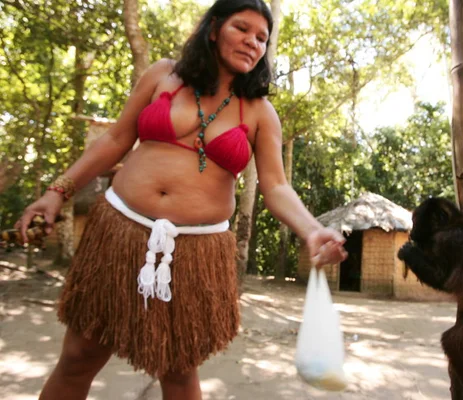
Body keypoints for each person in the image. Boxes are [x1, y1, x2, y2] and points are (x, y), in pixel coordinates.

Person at [16, 1, 348, 399]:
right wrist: (57, 192)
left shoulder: (261, 111)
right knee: (79, 356)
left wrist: (311, 231)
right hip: (119, 232)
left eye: (262, 37)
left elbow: (276, 186)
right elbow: (115, 139)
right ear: (213, 30)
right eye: (241, 29)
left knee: (177, 369)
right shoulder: (163, 75)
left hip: (196, 249)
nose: (252, 42)